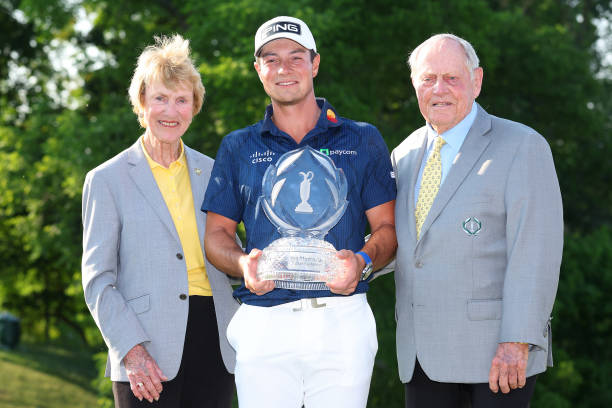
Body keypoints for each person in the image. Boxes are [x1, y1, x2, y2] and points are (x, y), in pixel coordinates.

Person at [201, 16, 397, 408]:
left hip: (342, 321)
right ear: (259, 70)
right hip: (265, 323)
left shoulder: (363, 138)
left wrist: (360, 262)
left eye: (296, 57)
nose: (284, 68)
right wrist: (243, 266)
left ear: (315, 63)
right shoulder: (238, 146)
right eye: (271, 59)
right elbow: (216, 237)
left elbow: (387, 230)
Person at [390, 33, 564, 407]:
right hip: (422, 357)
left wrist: (516, 341)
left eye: (452, 77)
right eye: (428, 78)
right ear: (414, 84)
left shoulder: (522, 146)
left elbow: (535, 253)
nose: (439, 88)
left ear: (477, 80)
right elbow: (400, 245)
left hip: (496, 359)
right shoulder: (402, 155)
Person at [81, 34, 238, 407]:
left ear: (194, 106)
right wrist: (131, 350)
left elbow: (231, 251)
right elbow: (98, 279)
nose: (172, 110)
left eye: (182, 100)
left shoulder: (214, 172)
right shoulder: (106, 179)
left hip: (218, 339)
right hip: (145, 345)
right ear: (141, 103)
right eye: (161, 98)